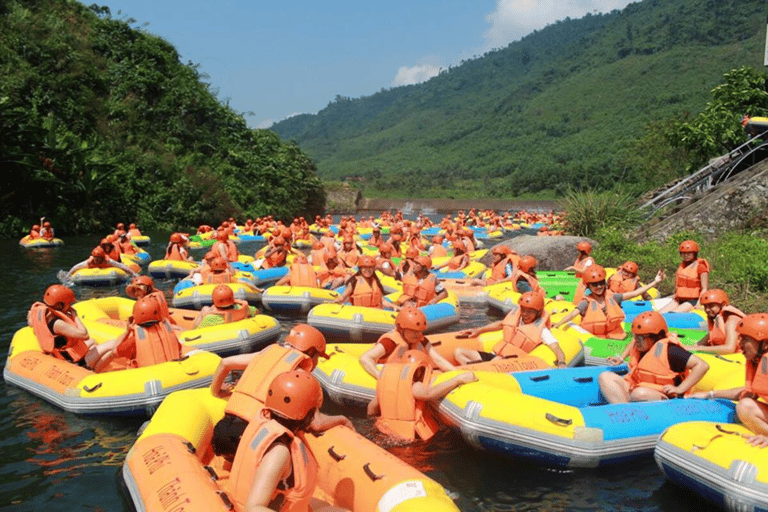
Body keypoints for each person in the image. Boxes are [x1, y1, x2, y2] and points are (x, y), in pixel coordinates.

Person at [210, 324, 353, 459]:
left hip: (221, 431)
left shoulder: (266, 353)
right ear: (310, 351)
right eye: (318, 357)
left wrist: (217, 392)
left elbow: (225, 363)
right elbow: (317, 424)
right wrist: (343, 419)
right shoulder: (299, 377)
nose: (316, 362)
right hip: (250, 438)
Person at [227, 371, 350, 512]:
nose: (317, 416)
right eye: (314, 412)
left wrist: (341, 419)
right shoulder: (279, 452)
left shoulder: (268, 423)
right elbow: (253, 508)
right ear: (307, 413)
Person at [691, 313, 768, 447]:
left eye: (746, 339)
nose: (740, 344)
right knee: (745, 406)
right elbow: (746, 392)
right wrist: (710, 394)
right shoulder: (756, 361)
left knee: (745, 406)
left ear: (765, 344)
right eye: (740, 338)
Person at [598, 311, 709, 404]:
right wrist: (621, 358)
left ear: (655, 337)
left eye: (640, 338)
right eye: (635, 336)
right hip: (637, 386)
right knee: (605, 377)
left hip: (665, 396)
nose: (636, 340)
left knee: (639, 394)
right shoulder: (640, 343)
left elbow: (702, 365)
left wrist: (680, 389)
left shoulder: (671, 350)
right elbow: (631, 344)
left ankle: (628, 410)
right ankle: (624, 412)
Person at [369, 350, 477, 441]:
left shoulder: (390, 386)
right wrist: (458, 380)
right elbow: (428, 394)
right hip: (410, 438)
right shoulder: (415, 385)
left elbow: (371, 410)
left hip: (386, 431)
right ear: (420, 370)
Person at [454, 291, 568, 367]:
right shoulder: (517, 318)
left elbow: (556, 347)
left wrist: (562, 362)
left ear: (538, 313)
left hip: (509, 364)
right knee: (458, 352)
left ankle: (471, 372)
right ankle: (475, 371)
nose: (525, 314)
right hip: (495, 356)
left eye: (529, 311)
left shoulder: (542, 331)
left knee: (496, 361)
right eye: (523, 309)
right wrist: (478, 330)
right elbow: (500, 324)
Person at [553, 265, 664, 339]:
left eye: (601, 283)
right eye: (595, 284)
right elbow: (573, 314)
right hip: (596, 339)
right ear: (588, 286)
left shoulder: (612, 297)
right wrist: (557, 324)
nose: (599, 287)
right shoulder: (586, 302)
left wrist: (655, 282)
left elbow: (635, 293)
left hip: (616, 336)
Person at [359, 307, 456, 380]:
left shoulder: (422, 341)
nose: (418, 335)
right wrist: (380, 376)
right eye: (413, 331)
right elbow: (365, 358)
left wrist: (456, 373)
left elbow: (438, 359)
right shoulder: (390, 342)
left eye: (419, 331)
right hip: (392, 377)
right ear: (401, 329)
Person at [91, 296, 184, 372]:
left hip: (148, 380)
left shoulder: (135, 341)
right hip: (173, 374)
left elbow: (115, 351)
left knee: (110, 354)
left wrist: (127, 331)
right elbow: (179, 349)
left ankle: (94, 373)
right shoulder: (167, 332)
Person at [27, 284, 97, 368]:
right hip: (71, 361)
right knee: (111, 345)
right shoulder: (57, 323)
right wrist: (75, 316)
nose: (70, 306)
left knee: (93, 342)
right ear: (60, 305)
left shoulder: (38, 314)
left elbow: (30, 323)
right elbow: (85, 335)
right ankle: (91, 369)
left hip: (58, 354)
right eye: (69, 304)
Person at [659, 240, 710, 313]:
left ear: (694, 253)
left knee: (672, 315)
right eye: (683, 253)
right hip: (679, 299)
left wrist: (699, 303)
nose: (686, 256)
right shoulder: (683, 265)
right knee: (659, 314)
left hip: (693, 301)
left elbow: (704, 288)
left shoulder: (701, 266)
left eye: (689, 253)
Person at [693, 289, 745, 354]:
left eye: (711, 306)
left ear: (722, 304)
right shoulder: (716, 318)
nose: (707, 309)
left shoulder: (732, 320)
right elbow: (700, 343)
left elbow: (730, 348)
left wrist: (699, 349)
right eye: (705, 306)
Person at [64, 246, 138, 279]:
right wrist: (68, 275)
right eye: (95, 258)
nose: (96, 260)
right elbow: (75, 267)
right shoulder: (88, 262)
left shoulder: (108, 261)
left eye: (98, 258)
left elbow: (121, 266)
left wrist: (133, 274)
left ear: (102, 258)